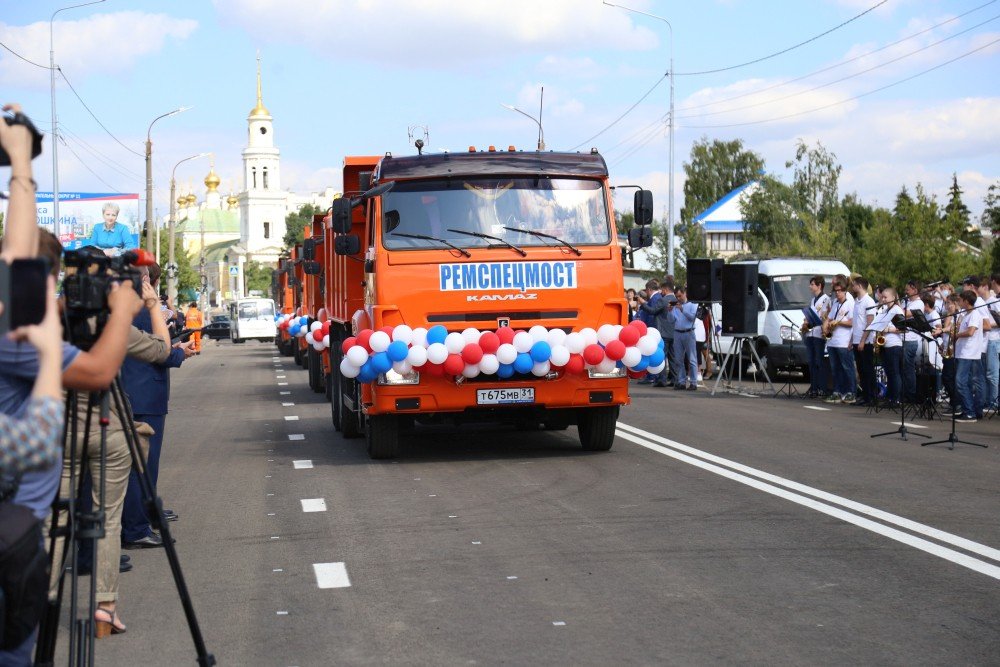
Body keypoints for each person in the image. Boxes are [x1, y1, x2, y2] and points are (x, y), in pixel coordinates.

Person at [119, 263, 195, 549]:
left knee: (137, 466)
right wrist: (179, 354)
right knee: (142, 466)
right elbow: (158, 350)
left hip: (133, 391)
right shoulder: (141, 307)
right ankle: (136, 526)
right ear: (146, 279)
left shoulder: (122, 305)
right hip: (145, 394)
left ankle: (140, 519)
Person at [953, 290, 986, 422]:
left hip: (969, 353)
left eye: (960, 300)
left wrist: (956, 335)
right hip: (963, 352)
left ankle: (970, 411)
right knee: (965, 382)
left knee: (960, 382)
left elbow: (971, 332)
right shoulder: (966, 314)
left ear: (966, 301)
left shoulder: (974, 314)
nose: (959, 303)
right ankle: (969, 409)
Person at [824, 278, 855, 403]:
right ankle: (837, 392)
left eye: (840, 291)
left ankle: (851, 392)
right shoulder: (836, 303)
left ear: (844, 290)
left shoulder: (850, 303)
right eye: (835, 291)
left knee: (847, 368)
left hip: (844, 341)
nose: (837, 293)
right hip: (833, 341)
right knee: (835, 368)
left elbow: (852, 322)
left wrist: (839, 322)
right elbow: (829, 318)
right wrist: (825, 327)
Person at [803, 276, 831, 398]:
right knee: (811, 362)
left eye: (812, 284)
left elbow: (825, 316)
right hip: (810, 333)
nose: (810, 286)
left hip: (819, 334)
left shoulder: (826, 299)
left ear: (819, 286)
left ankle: (822, 388)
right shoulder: (813, 299)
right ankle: (813, 387)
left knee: (819, 362)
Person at [851, 277, 876, 406]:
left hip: (865, 341)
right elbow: (856, 322)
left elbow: (870, 322)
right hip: (856, 339)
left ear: (860, 286)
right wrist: (852, 340)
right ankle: (864, 395)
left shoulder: (869, 301)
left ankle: (871, 396)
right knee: (861, 370)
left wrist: (862, 340)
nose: (852, 287)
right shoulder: (856, 301)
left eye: (854, 285)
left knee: (867, 369)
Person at [878, 287, 906, 406]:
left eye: (886, 297)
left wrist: (887, 329)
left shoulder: (897, 310)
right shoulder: (884, 310)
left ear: (893, 298)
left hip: (894, 344)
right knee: (888, 372)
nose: (883, 299)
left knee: (894, 373)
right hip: (885, 344)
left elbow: (903, 329)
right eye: (882, 297)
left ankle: (896, 398)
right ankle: (889, 397)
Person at [671, 286, 699, 391]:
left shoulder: (692, 304)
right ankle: (681, 382)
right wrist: (669, 311)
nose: (678, 298)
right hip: (677, 333)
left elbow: (692, 317)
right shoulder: (675, 306)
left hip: (689, 332)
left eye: (680, 296)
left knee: (692, 359)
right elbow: (671, 320)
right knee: (678, 359)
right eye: (677, 296)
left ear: (684, 293)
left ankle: (693, 382)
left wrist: (682, 310)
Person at [901, 280, 923, 402]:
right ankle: (905, 392)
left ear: (914, 290)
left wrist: (895, 306)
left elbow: (905, 314)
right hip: (904, 338)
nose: (906, 292)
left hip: (911, 339)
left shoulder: (918, 303)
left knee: (908, 368)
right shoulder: (909, 302)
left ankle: (910, 394)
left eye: (908, 289)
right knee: (904, 368)